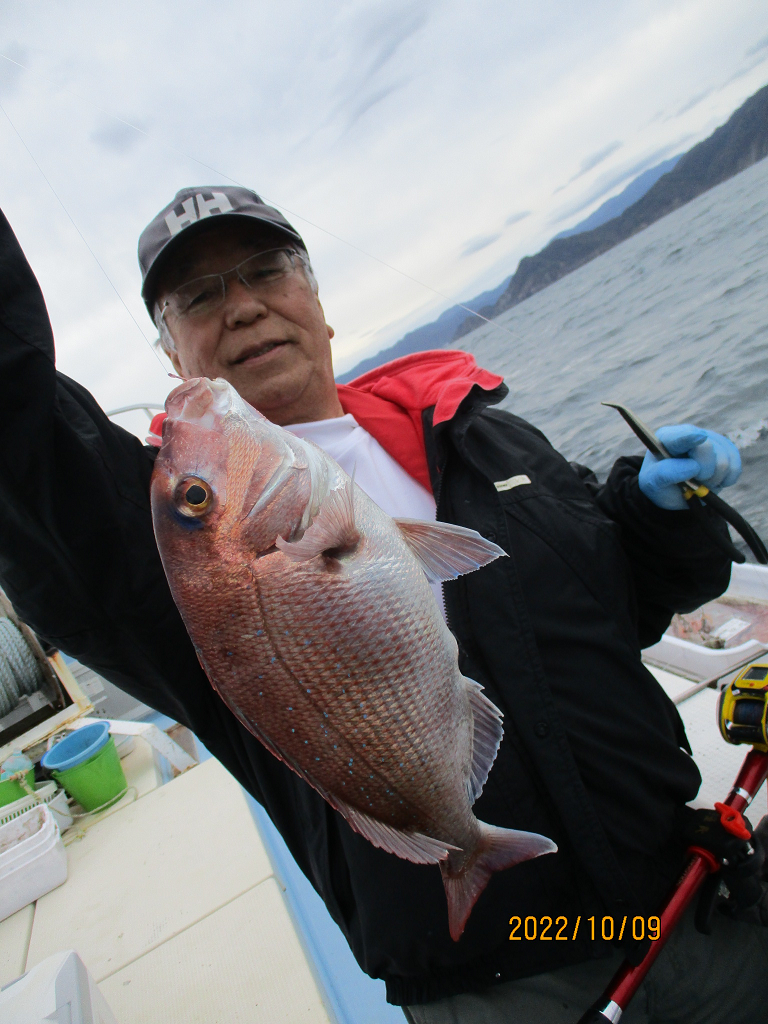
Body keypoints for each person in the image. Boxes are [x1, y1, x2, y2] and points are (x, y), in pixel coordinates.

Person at [0, 186, 765, 1023]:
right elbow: (19, 426)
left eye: (266, 271)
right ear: (171, 353)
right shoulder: (159, 541)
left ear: (317, 301)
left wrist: (661, 521)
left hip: (698, 896)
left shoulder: (471, 429)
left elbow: (624, 602)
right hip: (499, 987)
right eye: (199, 296)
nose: (245, 306)